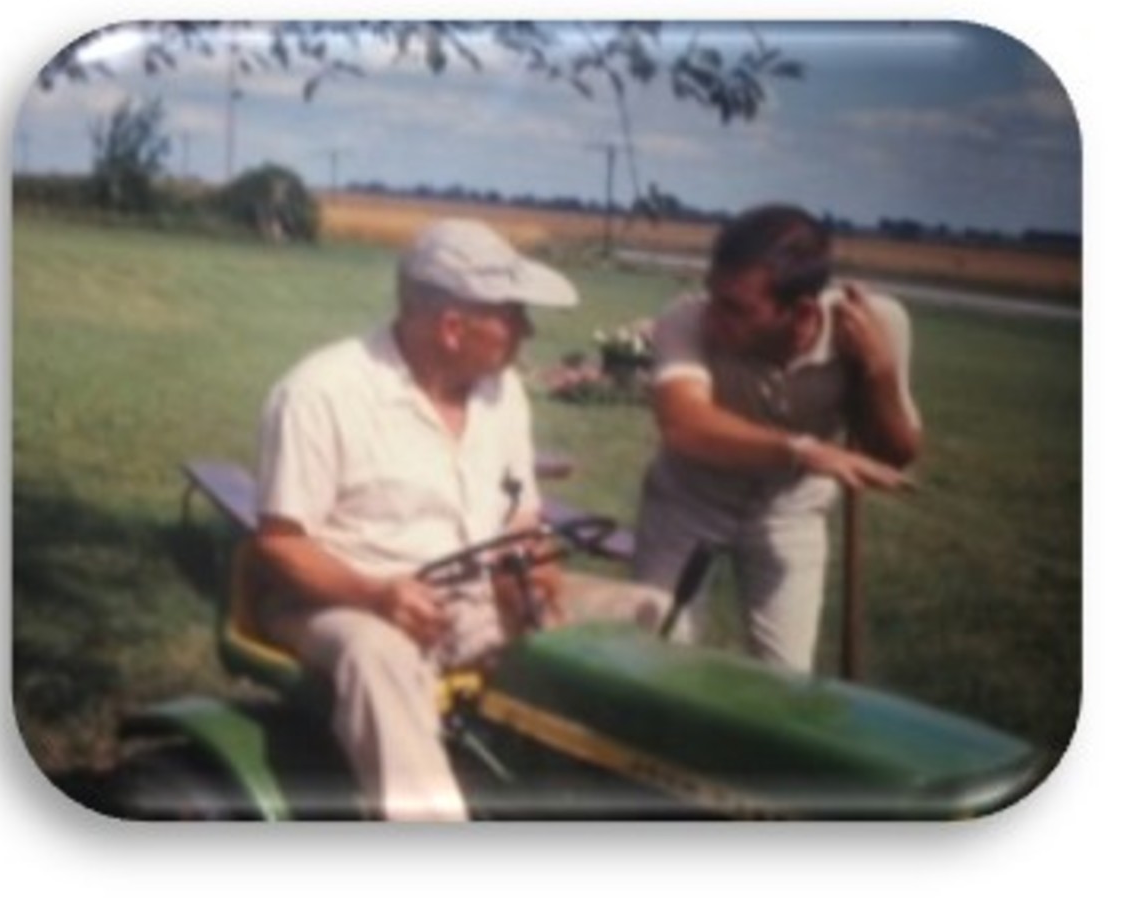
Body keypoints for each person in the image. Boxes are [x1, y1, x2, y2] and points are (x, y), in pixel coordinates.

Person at [251, 218, 578, 821]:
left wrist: (532, 568)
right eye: (512, 315)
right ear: (452, 327)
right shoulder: (321, 393)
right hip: (335, 602)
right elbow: (280, 546)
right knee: (381, 657)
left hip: (471, 598)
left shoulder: (501, 393)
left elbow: (521, 514)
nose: (528, 330)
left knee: (630, 622)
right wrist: (378, 594)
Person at [631, 203, 922, 673]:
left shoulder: (876, 323)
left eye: (735, 309)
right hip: (688, 502)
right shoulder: (686, 318)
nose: (712, 318)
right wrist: (801, 449)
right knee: (659, 653)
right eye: (712, 296)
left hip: (790, 512)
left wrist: (879, 371)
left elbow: (895, 454)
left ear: (801, 311)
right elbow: (684, 423)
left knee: (786, 678)